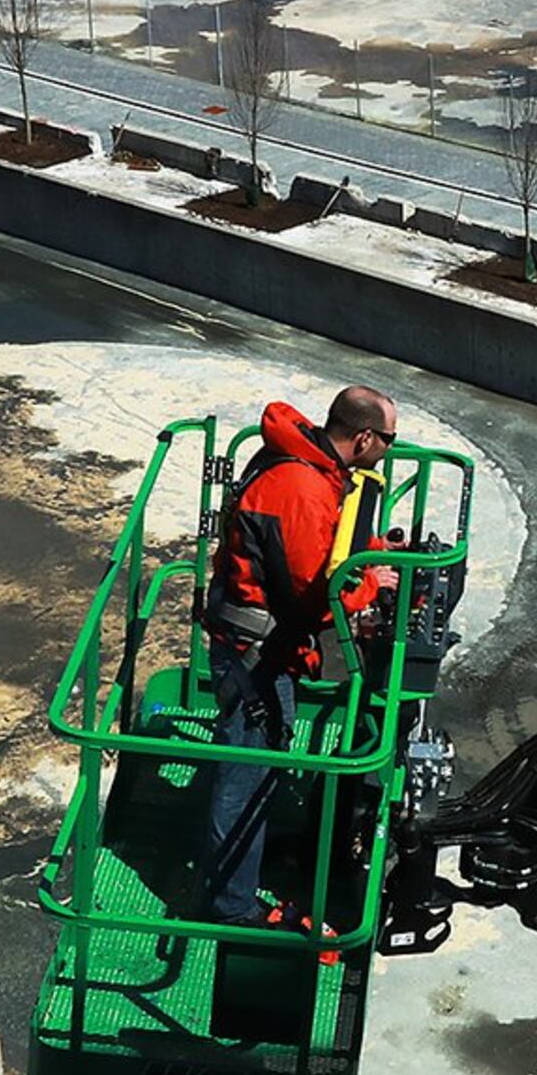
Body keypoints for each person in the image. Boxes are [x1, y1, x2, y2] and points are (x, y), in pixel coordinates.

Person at [196, 386, 397, 926]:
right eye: (390, 440)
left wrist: (373, 554)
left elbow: (316, 548)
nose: (390, 451)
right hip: (254, 654)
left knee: (257, 765)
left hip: (258, 645)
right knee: (246, 778)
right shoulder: (303, 488)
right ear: (364, 437)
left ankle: (243, 875)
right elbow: (310, 603)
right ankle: (231, 910)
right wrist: (369, 587)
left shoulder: (314, 469)